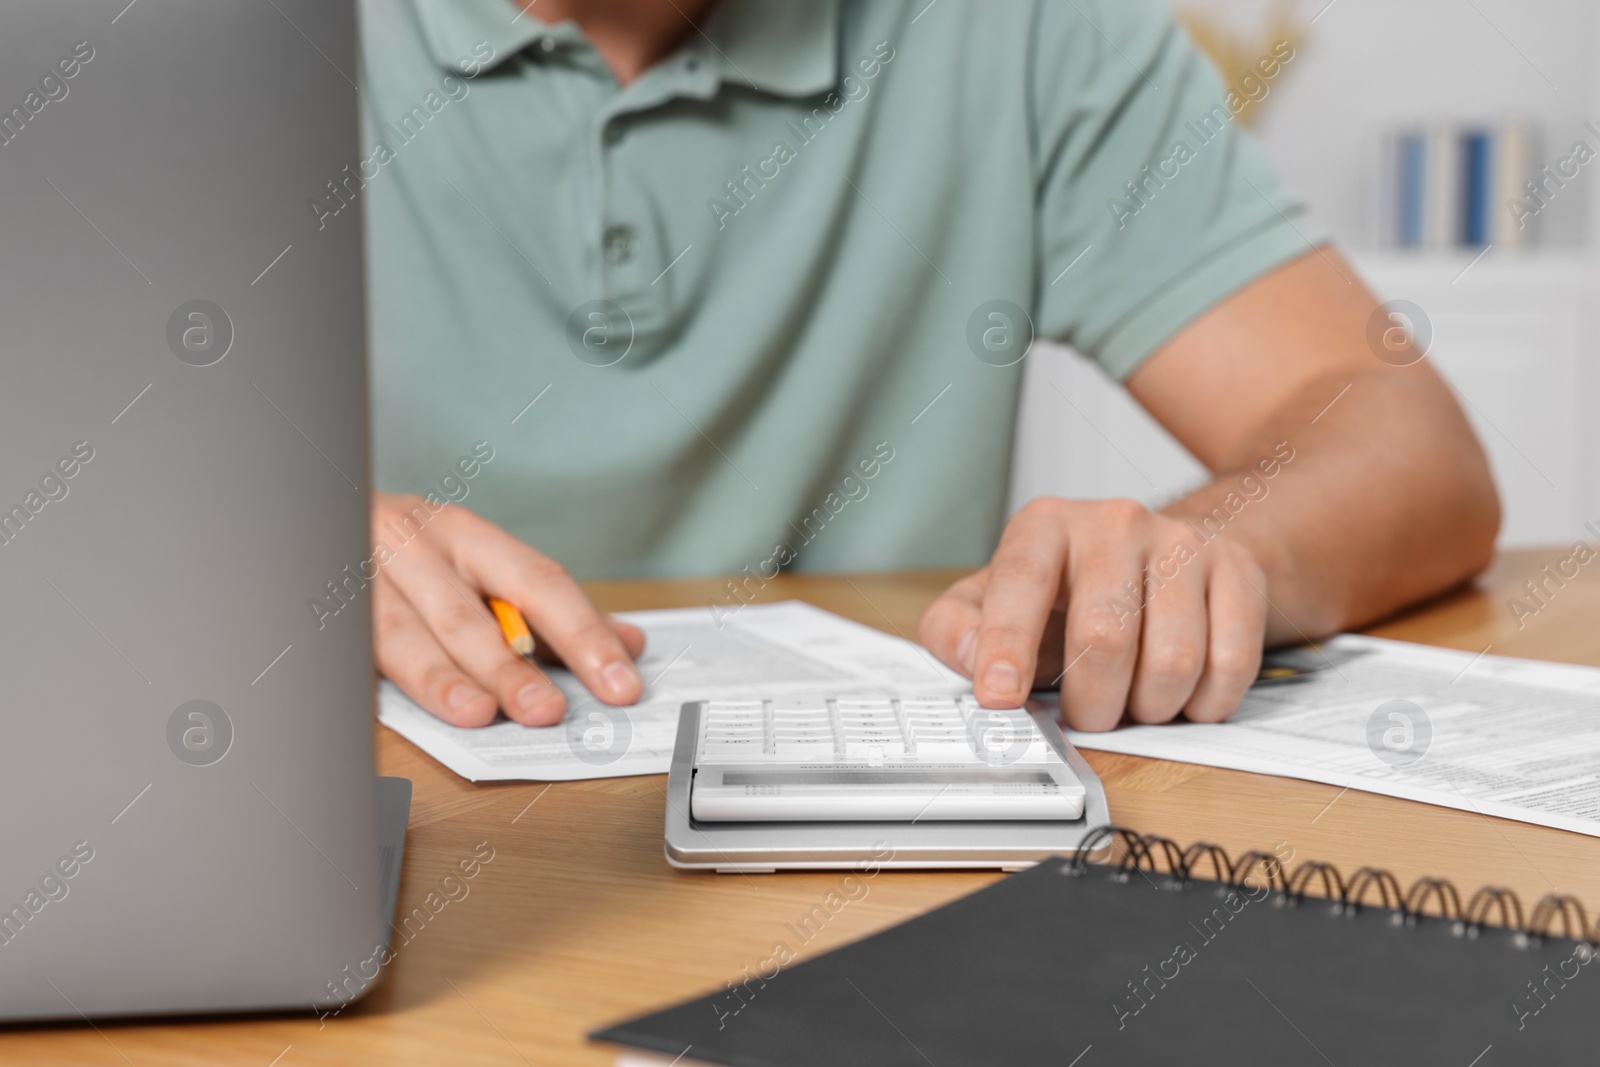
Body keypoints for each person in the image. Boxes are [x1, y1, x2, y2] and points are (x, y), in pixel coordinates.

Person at [353, 0, 1498, 733]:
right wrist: (264, 556)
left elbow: (1401, 435)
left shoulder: (1028, 31)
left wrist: (1206, 552)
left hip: (893, 870)